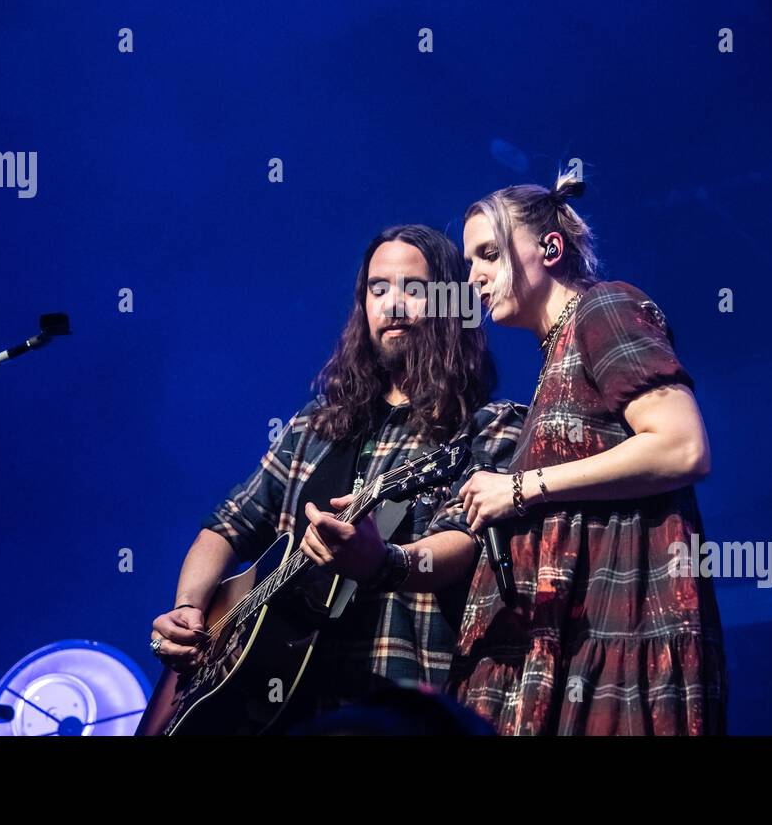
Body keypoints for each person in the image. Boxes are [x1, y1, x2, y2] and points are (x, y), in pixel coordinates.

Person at [146, 224, 525, 727]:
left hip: (392, 699)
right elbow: (225, 526)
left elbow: (463, 541)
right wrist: (189, 610)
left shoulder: (487, 425)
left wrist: (385, 561)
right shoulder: (314, 426)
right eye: (377, 288)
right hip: (269, 712)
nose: (392, 304)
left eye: (413, 289)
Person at [451, 177, 726, 735]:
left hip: (622, 641)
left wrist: (522, 487)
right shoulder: (553, 361)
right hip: (574, 645)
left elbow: (682, 445)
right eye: (469, 261)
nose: (474, 276)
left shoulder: (605, 308)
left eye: (488, 253)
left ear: (549, 250)